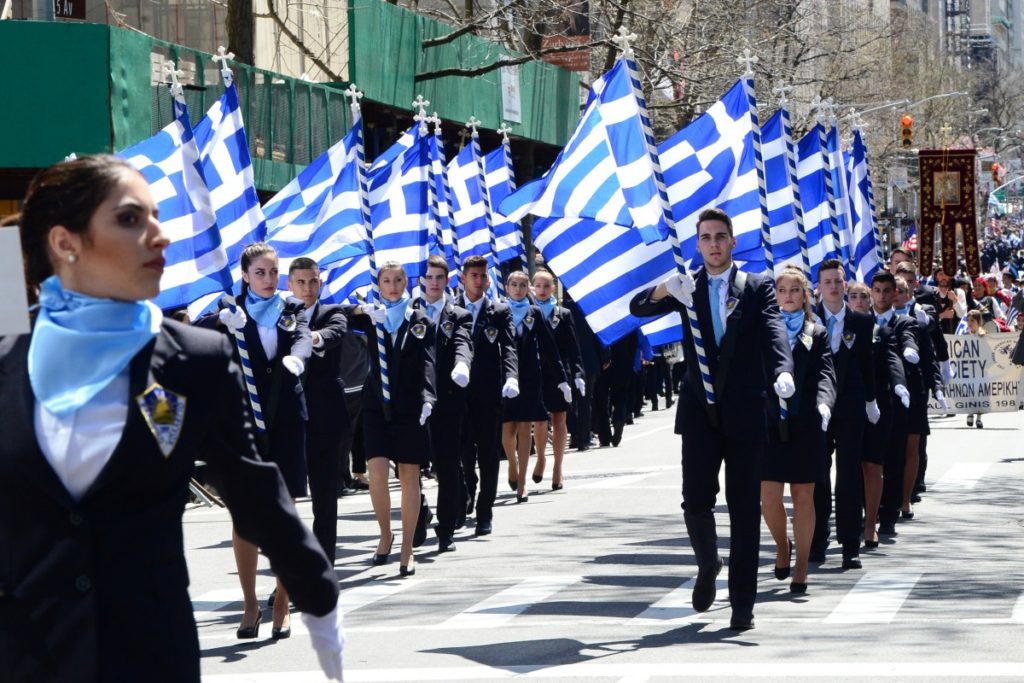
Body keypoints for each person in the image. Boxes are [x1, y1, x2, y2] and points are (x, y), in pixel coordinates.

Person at [1, 155, 343, 682]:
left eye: (157, 217)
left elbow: (252, 488)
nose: (159, 236)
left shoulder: (196, 360)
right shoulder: (7, 366)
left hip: (153, 656)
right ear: (66, 243)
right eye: (131, 219)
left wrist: (320, 602)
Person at [630, 207, 794, 631]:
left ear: (733, 242)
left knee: (744, 510)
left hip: (744, 411)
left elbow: (775, 331)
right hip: (699, 412)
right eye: (706, 237)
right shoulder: (688, 286)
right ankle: (707, 563)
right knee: (696, 499)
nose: (715, 244)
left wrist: (783, 371)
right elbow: (638, 308)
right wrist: (666, 289)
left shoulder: (755, 287)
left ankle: (743, 602)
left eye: (721, 236)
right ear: (697, 243)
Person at [196, 242, 312, 639]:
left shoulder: (289, 308)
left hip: (286, 420)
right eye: (260, 273)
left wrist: (299, 358)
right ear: (245, 276)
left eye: (273, 272)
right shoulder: (229, 311)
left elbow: (302, 338)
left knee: (285, 513)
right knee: (244, 514)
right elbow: (193, 335)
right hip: (242, 423)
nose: (268, 280)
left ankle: (282, 601)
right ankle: (249, 604)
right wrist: (219, 324)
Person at [350, 262, 436, 576]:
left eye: (398, 279)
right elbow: (339, 319)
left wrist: (428, 397)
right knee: (376, 474)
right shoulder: (372, 316)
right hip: (375, 404)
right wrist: (362, 312)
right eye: (386, 280)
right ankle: (385, 533)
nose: (393, 285)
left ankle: (407, 548)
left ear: (407, 282)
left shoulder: (419, 318)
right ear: (379, 283)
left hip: (409, 404)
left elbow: (427, 361)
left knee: (409, 476)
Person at [761, 266, 836, 593]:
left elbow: (826, 375)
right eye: (781, 291)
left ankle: (802, 566)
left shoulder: (815, 332)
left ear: (805, 295)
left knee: (803, 496)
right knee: (768, 498)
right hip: (769, 424)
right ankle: (782, 545)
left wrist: (823, 403)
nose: (787, 297)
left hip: (806, 424)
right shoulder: (765, 330)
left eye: (794, 290)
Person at [286, 257, 351, 564]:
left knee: (324, 497)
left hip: (325, 418)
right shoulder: (279, 316)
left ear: (321, 283)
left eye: (313, 281)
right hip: (288, 420)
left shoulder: (331, 313)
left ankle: (324, 563)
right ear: (289, 285)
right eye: (300, 282)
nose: (307, 288)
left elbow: (335, 332)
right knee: (287, 498)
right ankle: (290, 569)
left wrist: (311, 336)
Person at [813, 259, 877, 570]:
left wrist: (871, 400)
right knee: (817, 473)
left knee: (849, 473)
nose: (834, 288)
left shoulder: (862, 322)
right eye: (827, 282)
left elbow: (868, 364)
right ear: (819, 287)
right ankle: (817, 537)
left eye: (838, 282)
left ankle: (850, 543)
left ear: (846, 284)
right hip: (817, 408)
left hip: (851, 406)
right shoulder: (807, 319)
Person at [454, 255, 518, 536]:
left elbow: (510, 346)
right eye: (473, 276)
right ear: (463, 279)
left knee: (489, 452)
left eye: (482, 276)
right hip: (457, 393)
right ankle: (467, 488)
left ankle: (485, 511)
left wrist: (512, 375)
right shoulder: (451, 308)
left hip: (489, 392)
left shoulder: (499, 310)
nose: (478, 281)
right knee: (462, 452)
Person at [414, 255, 473, 552]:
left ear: (447, 280)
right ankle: (418, 511)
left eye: (439, 277)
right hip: (414, 401)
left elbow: (463, 343)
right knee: (410, 466)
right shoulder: (409, 312)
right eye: (429, 277)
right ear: (420, 280)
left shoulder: (458, 314)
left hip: (448, 399)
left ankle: (446, 526)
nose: (434, 283)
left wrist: (462, 366)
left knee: (447, 465)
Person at [501, 270, 568, 502]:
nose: (518, 289)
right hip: (504, 377)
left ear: (527, 289)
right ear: (506, 287)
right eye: (514, 285)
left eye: (522, 285)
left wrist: (562, 378)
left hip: (530, 376)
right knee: (507, 429)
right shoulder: (499, 311)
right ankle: (512, 464)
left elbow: (549, 346)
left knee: (524, 426)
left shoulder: (534, 312)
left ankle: (522, 483)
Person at [868, 271, 918, 539]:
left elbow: (908, 340)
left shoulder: (904, 323)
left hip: (895, 400)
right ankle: (869, 512)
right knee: (867, 463)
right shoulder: (861, 321)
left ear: (895, 293)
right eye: (877, 290)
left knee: (893, 460)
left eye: (887, 290)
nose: (882, 295)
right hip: (867, 400)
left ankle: (889, 515)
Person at [531, 269, 585, 491]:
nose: (542, 290)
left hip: (559, 374)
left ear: (553, 288)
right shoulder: (527, 313)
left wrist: (579, 374)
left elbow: (574, 348)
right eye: (538, 286)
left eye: (546, 286)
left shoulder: (562, 314)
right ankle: (542, 456)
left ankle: (558, 467)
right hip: (536, 372)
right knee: (539, 420)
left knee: (559, 420)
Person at [960, 310, 987, 428]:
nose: (970, 323)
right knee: (969, 392)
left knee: (980, 394)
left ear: (979, 322)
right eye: (968, 320)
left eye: (972, 320)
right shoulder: (964, 336)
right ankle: (970, 414)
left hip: (981, 370)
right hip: (968, 370)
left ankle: (979, 418)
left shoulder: (984, 335)